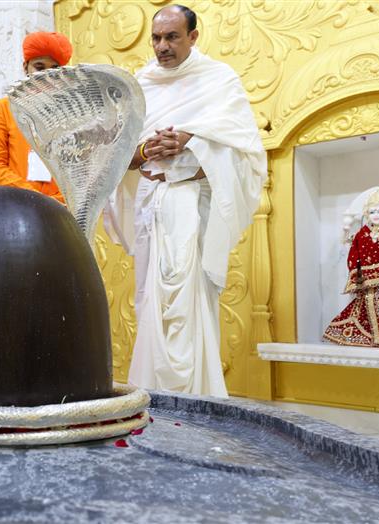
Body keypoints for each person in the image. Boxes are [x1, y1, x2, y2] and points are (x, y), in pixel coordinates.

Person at [104, 5, 267, 397]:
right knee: (151, 304)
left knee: (190, 306)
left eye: (172, 37)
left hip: (197, 208)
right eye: (157, 38)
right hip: (152, 207)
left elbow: (247, 156)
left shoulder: (219, 81)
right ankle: (153, 398)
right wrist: (145, 150)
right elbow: (114, 156)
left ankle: (198, 400)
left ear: (193, 37)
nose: (162, 46)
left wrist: (192, 141)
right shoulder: (139, 85)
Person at [0, 31, 72, 204]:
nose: (46, 75)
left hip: (61, 209)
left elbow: (77, 169)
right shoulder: (4, 108)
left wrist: (58, 201)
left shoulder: (70, 115)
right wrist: (33, 197)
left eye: (54, 69)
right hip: (17, 205)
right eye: (39, 67)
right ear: (26, 67)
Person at [323, 188, 379, 348]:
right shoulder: (361, 234)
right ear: (367, 215)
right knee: (369, 306)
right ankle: (376, 339)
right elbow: (350, 250)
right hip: (369, 279)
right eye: (372, 212)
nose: (376, 215)